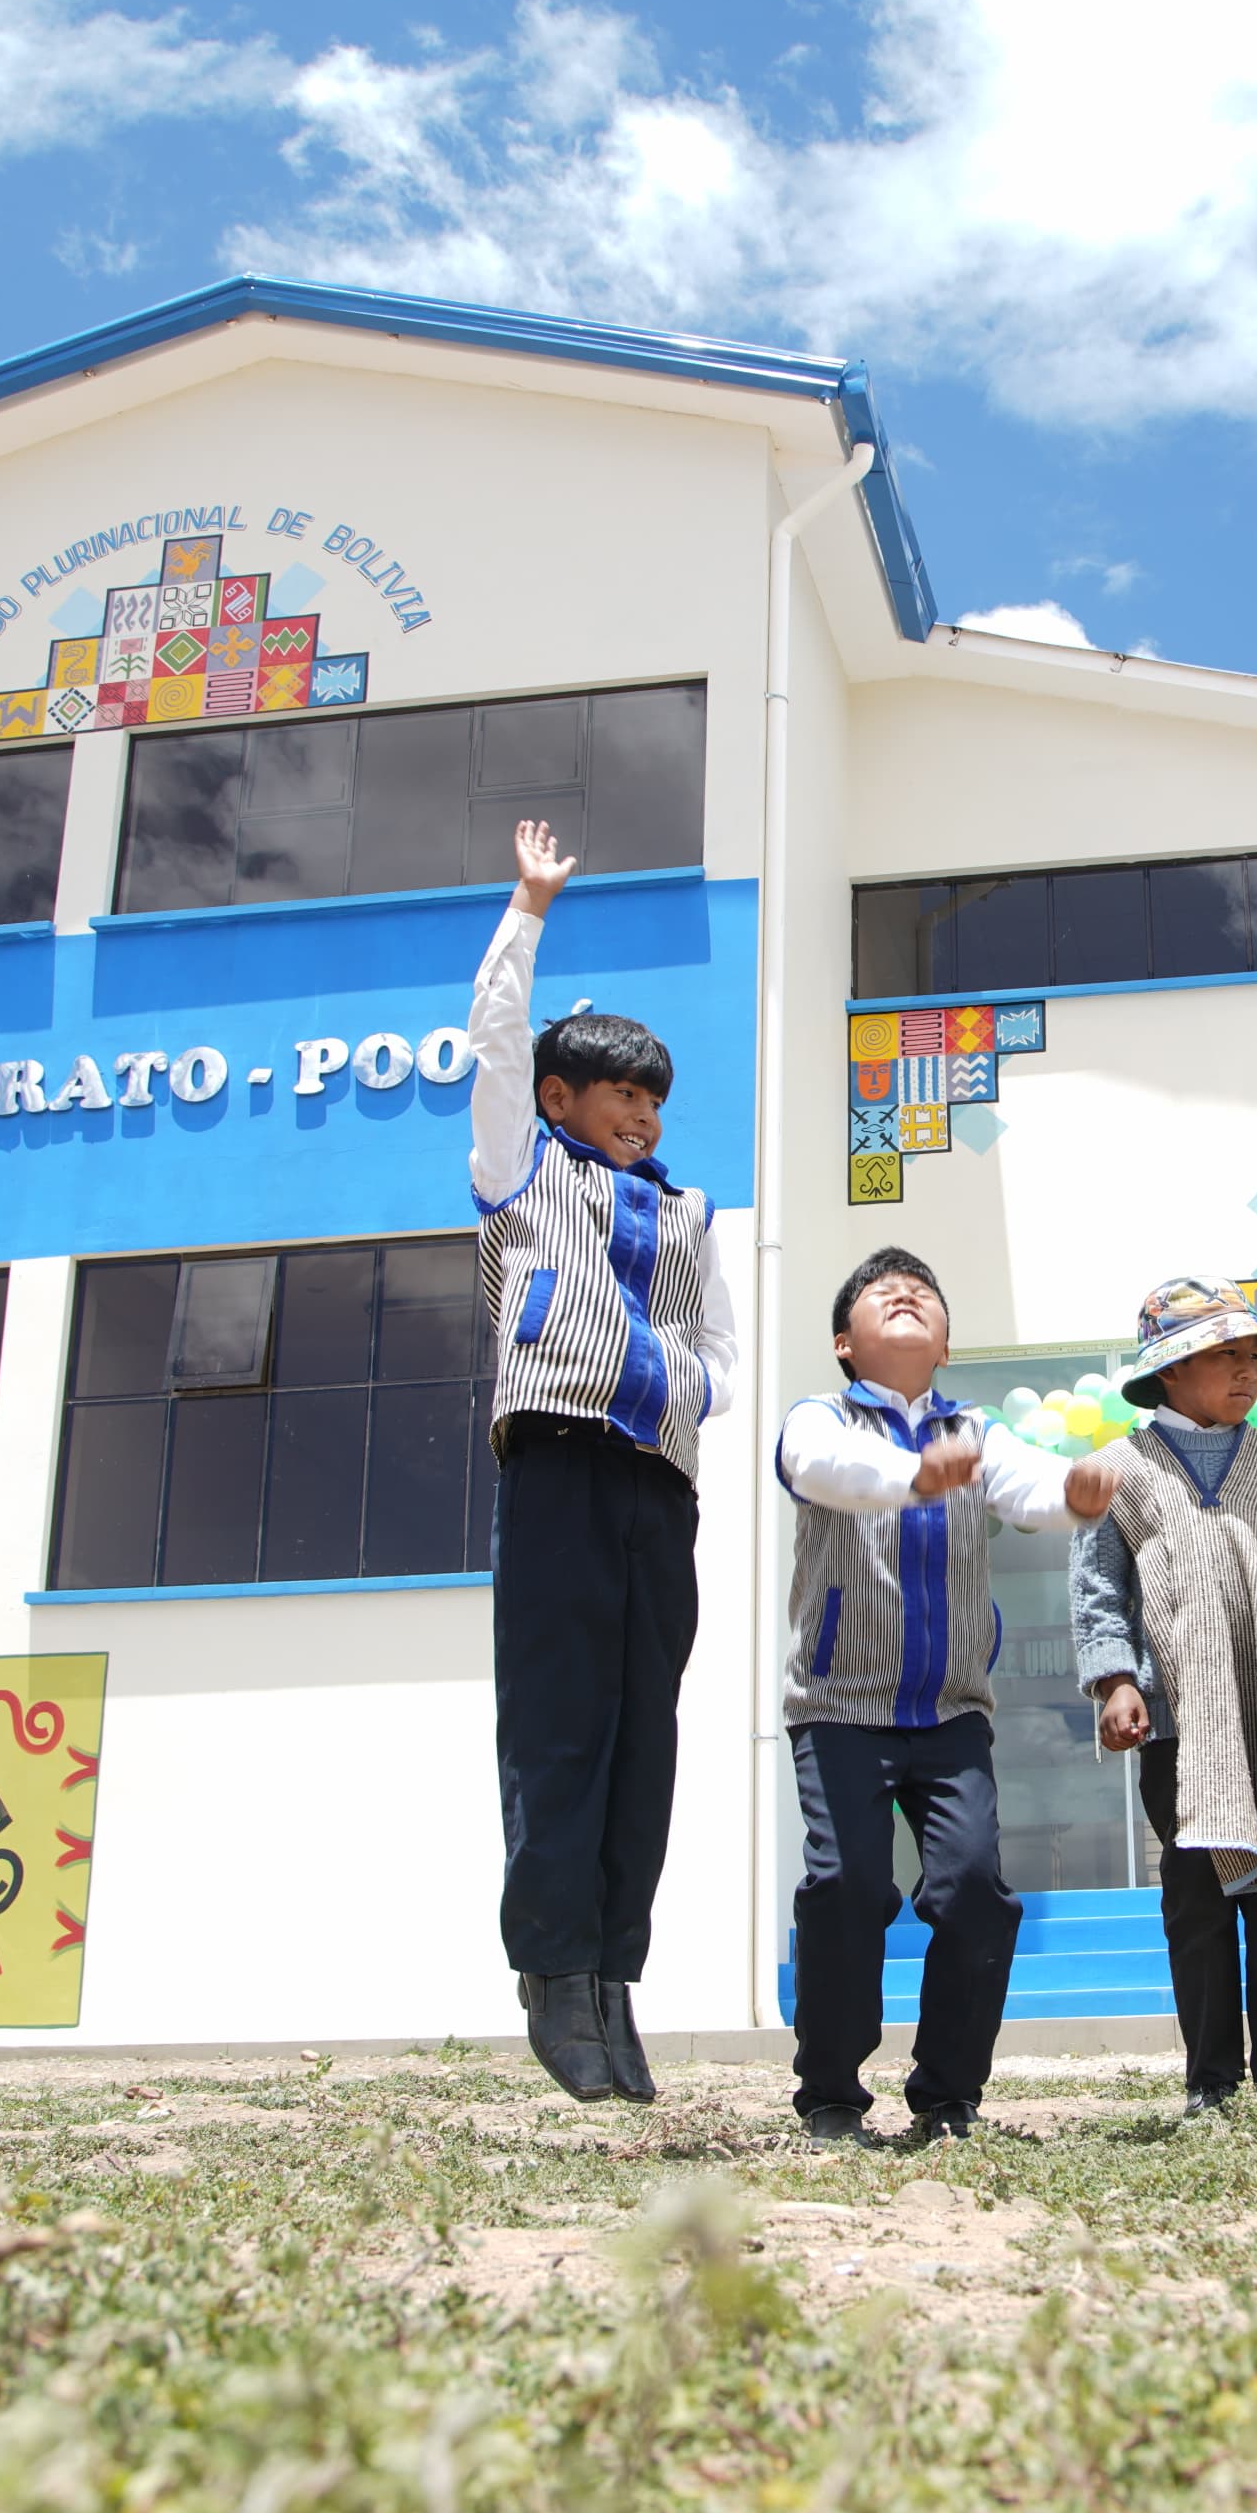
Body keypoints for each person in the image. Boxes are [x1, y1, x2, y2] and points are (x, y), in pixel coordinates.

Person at [470, 818, 738, 2106]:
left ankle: (613, 1979)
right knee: (559, 1727)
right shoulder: (519, 1171)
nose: (638, 1113)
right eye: (617, 1093)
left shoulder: (690, 1211)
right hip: (558, 1470)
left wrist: (691, 1390)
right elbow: (494, 1039)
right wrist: (529, 908)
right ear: (557, 1101)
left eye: (652, 1098)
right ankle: (553, 1973)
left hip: (659, 1488)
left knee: (645, 1739)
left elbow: (717, 1345)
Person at [775, 1247, 1118, 2143]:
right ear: (843, 1343)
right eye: (880, 1293)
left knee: (973, 1894)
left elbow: (1030, 1484)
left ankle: (948, 2094)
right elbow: (820, 1468)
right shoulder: (820, 1418)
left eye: (922, 1293)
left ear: (947, 1346)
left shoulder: (975, 1430)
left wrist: (1074, 1493)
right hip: (838, 1708)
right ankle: (831, 2093)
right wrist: (914, 1476)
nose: (905, 1294)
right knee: (847, 1887)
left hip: (953, 1712)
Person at [1071, 1277, 1257, 2115]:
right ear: (1168, 1371)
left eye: (1253, 1356)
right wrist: (1117, 1679)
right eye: (1224, 1355)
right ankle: (1210, 2079)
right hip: (1177, 1727)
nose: (1247, 1371)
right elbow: (1098, 1592)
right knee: (1196, 1900)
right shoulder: (1119, 1472)